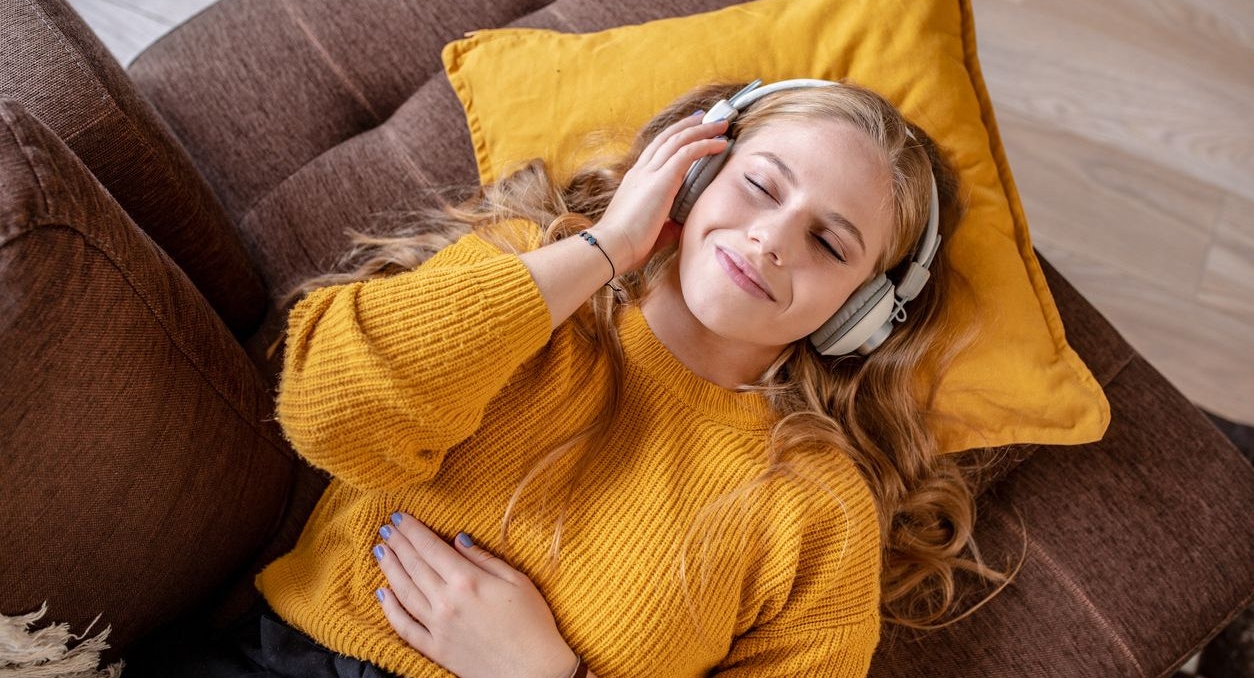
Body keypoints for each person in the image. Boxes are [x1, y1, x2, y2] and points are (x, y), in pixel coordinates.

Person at [151, 79, 1018, 678]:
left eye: (830, 243)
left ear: (861, 312)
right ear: (694, 172)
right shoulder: (529, 274)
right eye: (759, 185)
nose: (771, 240)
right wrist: (603, 250)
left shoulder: (817, 508)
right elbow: (329, 413)